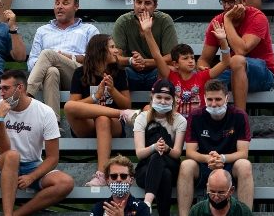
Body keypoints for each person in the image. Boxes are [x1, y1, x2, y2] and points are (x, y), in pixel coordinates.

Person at [0, 69, 75, 216]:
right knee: (12, 156)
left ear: (20, 88)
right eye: (0, 88)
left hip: (31, 166)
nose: (1, 92)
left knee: (65, 183)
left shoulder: (45, 111)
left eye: (6, 88)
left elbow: (53, 158)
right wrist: (0, 119)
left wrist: (31, 177)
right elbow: (2, 149)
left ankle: (17, 214)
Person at [63, 34, 133, 186]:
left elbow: (127, 103)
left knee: (102, 118)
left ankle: (101, 175)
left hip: (112, 125)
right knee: (68, 106)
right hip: (86, 125)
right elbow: (74, 107)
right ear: (101, 50)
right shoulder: (80, 73)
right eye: (112, 47)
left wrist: (113, 90)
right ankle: (122, 115)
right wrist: (96, 96)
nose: (116, 51)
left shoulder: (119, 72)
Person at [177, 81, 253, 216]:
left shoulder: (239, 115)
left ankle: (245, 214)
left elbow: (243, 153)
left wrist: (222, 158)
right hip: (205, 165)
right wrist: (208, 158)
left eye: (218, 99)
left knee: (245, 165)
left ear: (227, 98)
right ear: (204, 98)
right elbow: (190, 151)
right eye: (210, 99)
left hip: (229, 165)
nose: (213, 104)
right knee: (186, 165)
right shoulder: (196, 116)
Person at [200, 0, 274, 109]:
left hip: (265, 75)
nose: (226, 6)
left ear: (243, 1)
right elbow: (204, 59)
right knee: (199, 80)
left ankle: (240, 117)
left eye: (230, 2)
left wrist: (227, 21)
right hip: (233, 71)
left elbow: (241, 50)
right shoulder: (217, 21)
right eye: (223, 1)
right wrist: (204, 69)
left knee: (236, 60)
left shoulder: (257, 17)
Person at [26, 0, 100, 114]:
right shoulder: (42, 30)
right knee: (52, 71)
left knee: (48, 53)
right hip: (49, 78)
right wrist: (46, 62)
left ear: (76, 6)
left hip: (79, 77)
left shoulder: (89, 30)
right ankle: (54, 124)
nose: (59, 6)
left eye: (65, 3)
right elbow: (31, 62)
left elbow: (96, 60)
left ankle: (27, 95)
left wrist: (69, 57)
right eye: (57, 3)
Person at [133, 80, 186, 216]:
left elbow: (177, 153)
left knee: (161, 159)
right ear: (152, 97)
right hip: (146, 168)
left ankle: (147, 203)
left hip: (171, 162)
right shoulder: (142, 118)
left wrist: (167, 148)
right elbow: (139, 154)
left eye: (167, 98)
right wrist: (154, 147)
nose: (163, 101)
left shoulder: (180, 120)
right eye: (159, 97)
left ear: (173, 100)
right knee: (164, 172)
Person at [113, 0, 179, 91]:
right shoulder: (123, 21)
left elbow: (171, 57)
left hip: (156, 71)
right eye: (138, 2)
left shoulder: (165, 20)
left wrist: (145, 62)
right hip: (130, 71)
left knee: (172, 69)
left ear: (155, 6)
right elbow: (116, 56)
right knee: (114, 70)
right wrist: (131, 60)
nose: (142, 7)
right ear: (133, 3)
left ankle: (161, 102)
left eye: (147, 3)